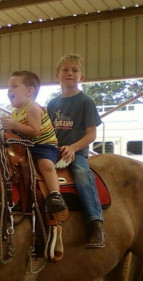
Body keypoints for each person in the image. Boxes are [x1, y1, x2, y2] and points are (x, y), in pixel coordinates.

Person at [47, 54, 105, 248]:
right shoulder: (53, 104)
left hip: (76, 152)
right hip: (53, 151)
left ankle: (95, 222)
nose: (69, 73)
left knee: (81, 174)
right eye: (65, 70)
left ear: (82, 77)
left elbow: (91, 134)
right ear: (57, 75)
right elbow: (47, 131)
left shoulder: (85, 102)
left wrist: (73, 148)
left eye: (74, 70)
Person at [0, 70, 67, 213]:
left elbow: (34, 130)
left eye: (14, 86)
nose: (9, 90)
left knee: (45, 164)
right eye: (8, 87)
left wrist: (13, 125)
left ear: (30, 91)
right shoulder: (15, 113)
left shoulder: (33, 107)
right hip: (29, 147)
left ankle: (55, 195)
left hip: (44, 146)